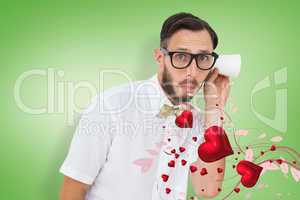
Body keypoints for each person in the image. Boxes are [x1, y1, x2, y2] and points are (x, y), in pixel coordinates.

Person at [59, 12, 230, 200]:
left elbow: (208, 189)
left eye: (203, 58)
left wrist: (214, 109)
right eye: (181, 56)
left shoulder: (200, 120)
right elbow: (73, 189)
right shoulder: (111, 105)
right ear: (159, 57)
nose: (193, 71)